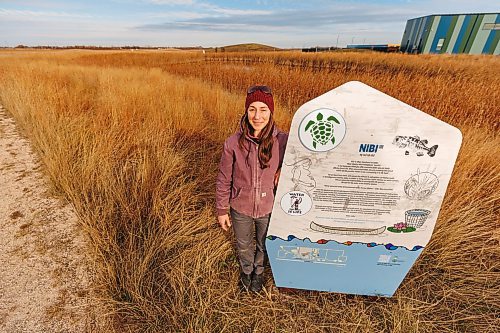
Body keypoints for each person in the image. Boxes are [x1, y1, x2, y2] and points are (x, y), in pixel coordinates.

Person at [216, 85, 288, 292]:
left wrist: (283, 167)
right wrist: (222, 210)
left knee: (264, 243)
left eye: (263, 109)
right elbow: (223, 179)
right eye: (252, 109)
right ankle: (246, 270)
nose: (257, 116)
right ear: (246, 112)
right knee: (244, 244)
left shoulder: (282, 140)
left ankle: (259, 272)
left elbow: (306, 156)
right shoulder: (232, 144)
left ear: (271, 112)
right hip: (241, 207)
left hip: (269, 207)